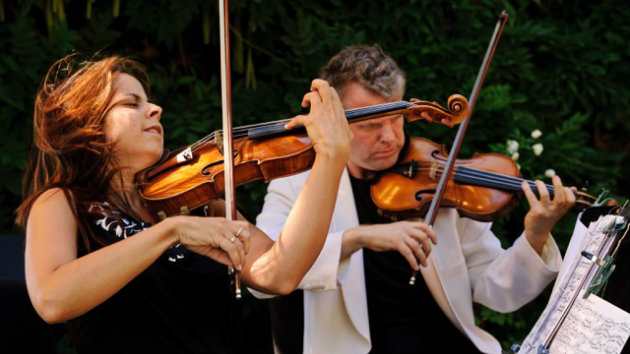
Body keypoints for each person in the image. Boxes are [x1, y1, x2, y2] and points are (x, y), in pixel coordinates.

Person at [15, 54, 352, 354]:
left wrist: (330, 159)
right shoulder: (64, 201)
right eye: (131, 104)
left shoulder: (199, 202)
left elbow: (280, 273)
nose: (155, 109)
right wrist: (170, 231)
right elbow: (51, 299)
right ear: (87, 123)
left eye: (149, 101)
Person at [254, 45, 576, 354]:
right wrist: (359, 238)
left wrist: (535, 235)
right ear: (333, 122)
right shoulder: (298, 185)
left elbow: (495, 289)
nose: (391, 137)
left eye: (397, 118)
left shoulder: (433, 177)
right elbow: (263, 273)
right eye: (371, 125)